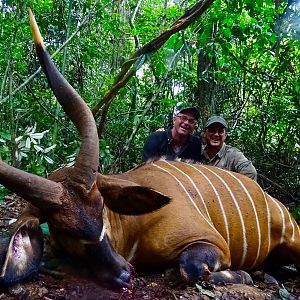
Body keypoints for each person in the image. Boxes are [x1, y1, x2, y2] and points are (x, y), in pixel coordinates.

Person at [201, 116, 257, 180]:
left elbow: (250, 173)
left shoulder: (233, 154)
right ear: (204, 133)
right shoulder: (196, 151)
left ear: (225, 135)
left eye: (220, 131)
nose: (216, 134)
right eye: (212, 130)